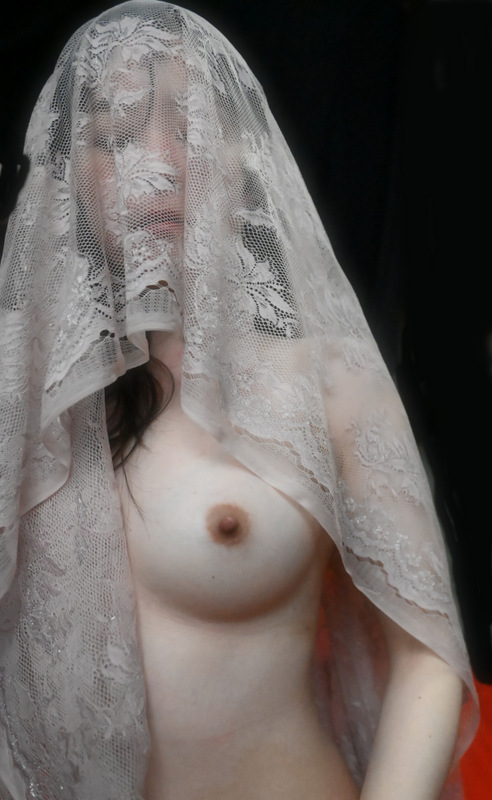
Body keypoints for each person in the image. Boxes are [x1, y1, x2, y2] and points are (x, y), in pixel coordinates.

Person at [0, 2, 478, 798]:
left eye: (189, 127)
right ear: (70, 175)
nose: (159, 163)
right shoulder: (23, 406)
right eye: (116, 135)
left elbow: (426, 658)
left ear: (242, 156)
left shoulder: (331, 386)